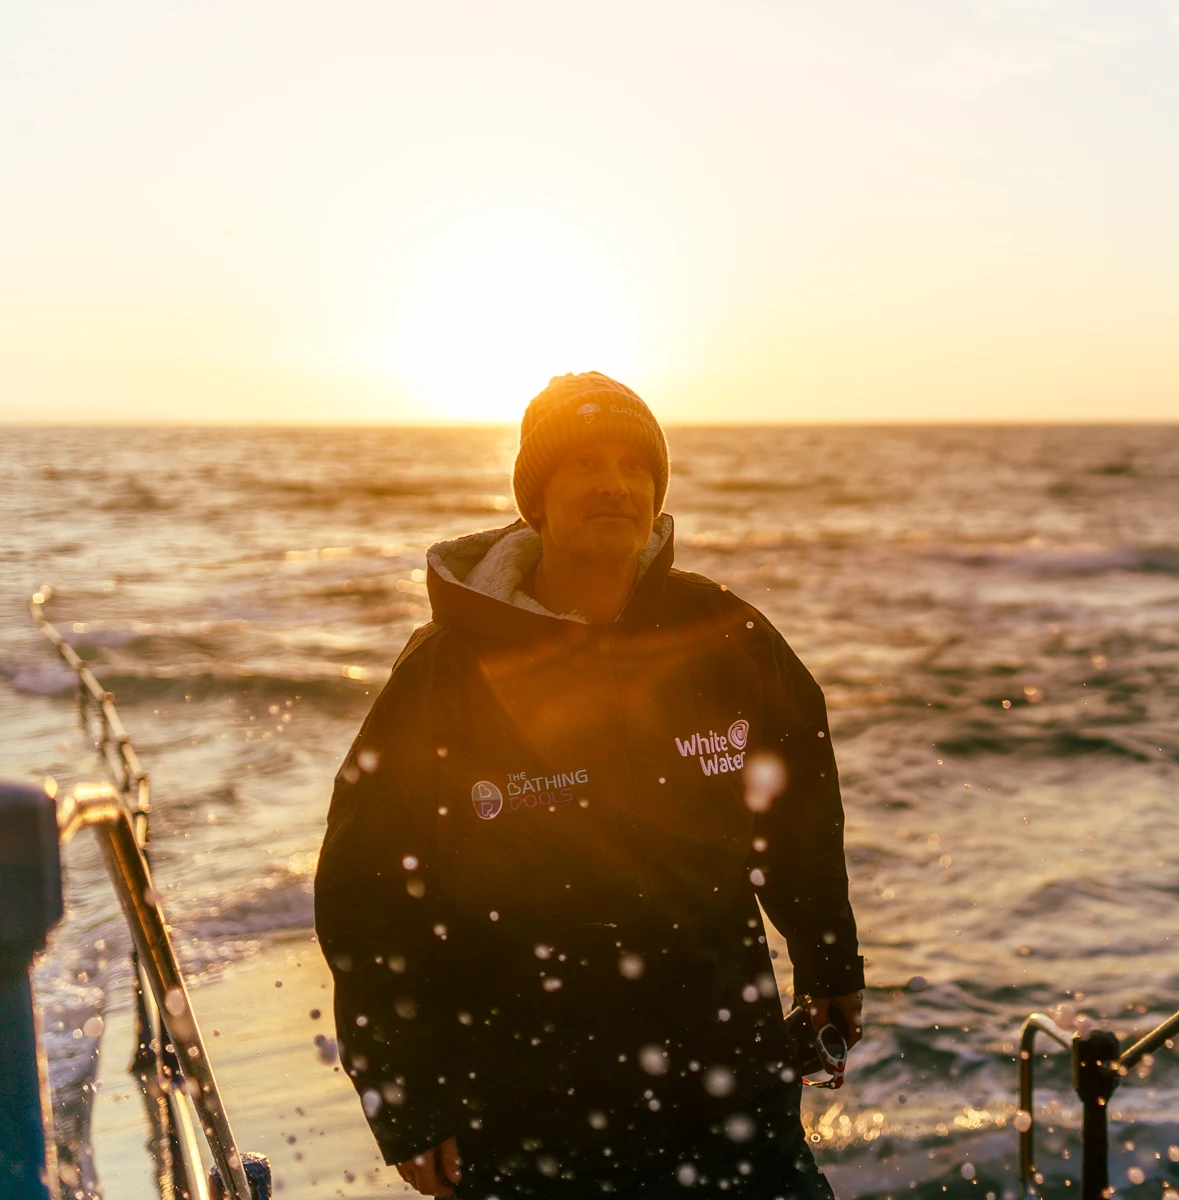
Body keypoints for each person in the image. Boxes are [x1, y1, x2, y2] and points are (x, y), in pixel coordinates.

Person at [314, 372, 864, 1198]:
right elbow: (370, 894)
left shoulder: (723, 636)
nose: (614, 484)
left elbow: (799, 811)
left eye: (634, 466)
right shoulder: (446, 673)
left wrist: (828, 963)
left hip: (729, 1092)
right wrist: (405, 1095)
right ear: (536, 500)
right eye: (583, 466)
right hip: (529, 1111)